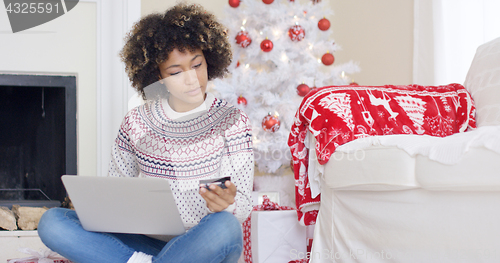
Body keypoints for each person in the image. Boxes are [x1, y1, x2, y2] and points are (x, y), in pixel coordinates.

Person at [38, 3, 254, 262]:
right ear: (157, 76)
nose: (191, 79)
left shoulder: (233, 120)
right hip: (146, 244)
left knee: (225, 227)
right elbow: (114, 196)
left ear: (209, 59)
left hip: (202, 244)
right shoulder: (136, 122)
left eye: (197, 65)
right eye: (176, 72)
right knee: (53, 221)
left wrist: (228, 203)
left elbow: (242, 207)